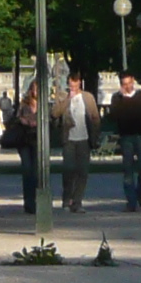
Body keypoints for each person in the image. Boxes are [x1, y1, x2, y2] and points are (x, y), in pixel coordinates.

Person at [109, 84, 141, 212]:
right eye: (124, 84)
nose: (126, 87)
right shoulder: (117, 98)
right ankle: (131, 202)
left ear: (132, 82)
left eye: (128, 83)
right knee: (128, 170)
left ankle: (139, 192)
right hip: (126, 137)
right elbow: (113, 117)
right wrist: (121, 99)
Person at [59, 72, 96, 212]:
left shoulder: (87, 97)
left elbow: (95, 117)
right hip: (69, 139)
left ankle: (77, 202)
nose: (73, 86)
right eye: (70, 84)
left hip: (84, 139)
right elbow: (55, 113)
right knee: (68, 170)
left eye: (75, 84)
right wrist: (68, 99)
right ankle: (66, 199)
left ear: (80, 83)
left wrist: (95, 136)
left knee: (83, 171)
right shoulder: (63, 96)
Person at [8, 86, 41, 216]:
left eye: (37, 89)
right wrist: (24, 120)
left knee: (36, 171)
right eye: (34, 89)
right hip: (24, 139)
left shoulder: (44, 104)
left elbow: (50, 119)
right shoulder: (24, 104)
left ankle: (36, 200)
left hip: (37, 139)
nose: (35, 92)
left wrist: (38, 122)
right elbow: (16, 118)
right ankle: (29, 202)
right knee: (27, 169)